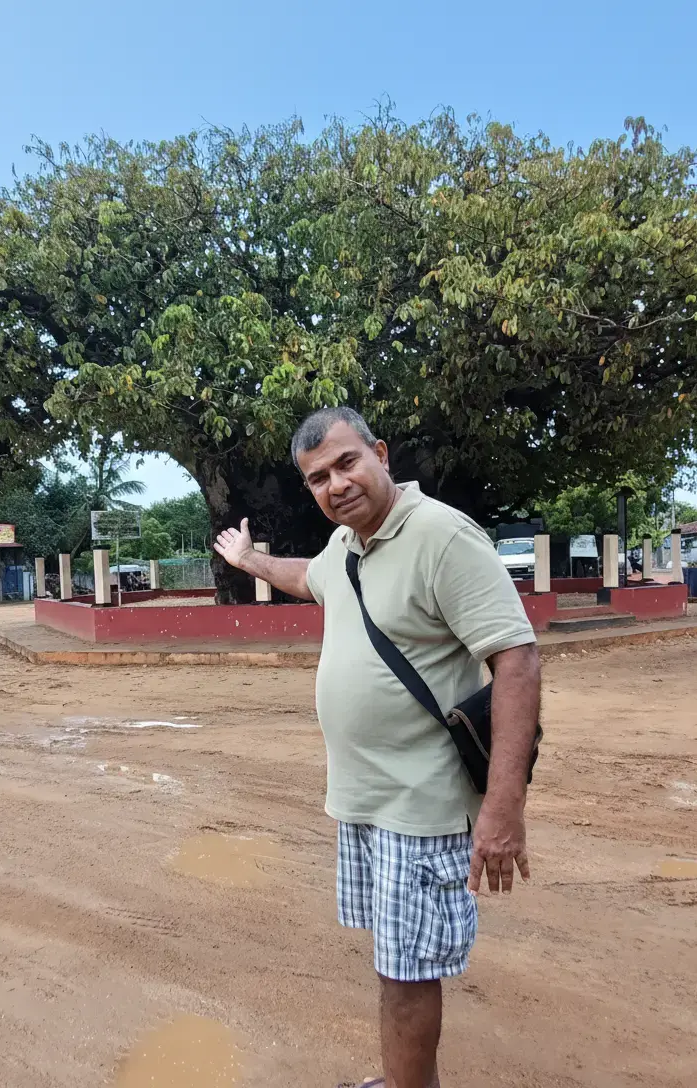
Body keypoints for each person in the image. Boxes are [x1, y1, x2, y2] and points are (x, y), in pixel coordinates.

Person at [214, 407, 541, 1088]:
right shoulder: (347, 547)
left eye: (347, 463)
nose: (336, 485)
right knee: (396, 964)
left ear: (380, 454)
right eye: (318, 478)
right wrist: (248, 560)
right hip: (367, 802)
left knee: (406, 977)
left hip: (421, 805)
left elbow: (516, 660)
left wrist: (503, 807)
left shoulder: (442, 537)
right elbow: (307, 577)